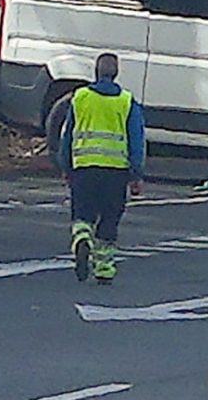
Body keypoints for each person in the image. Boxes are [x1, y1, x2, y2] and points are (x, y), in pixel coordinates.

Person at [52, 52, 145, 284]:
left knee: (83, 214)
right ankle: (104, 269)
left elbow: (68, 135)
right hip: (116, 172)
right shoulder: (127, 101)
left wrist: (66, 165)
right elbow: (137, 139)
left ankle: (82, 238)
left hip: (84, 168)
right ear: (116, 73)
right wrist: (136, 173)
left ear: (96, 71)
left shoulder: (80, 98)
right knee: (110, 219)